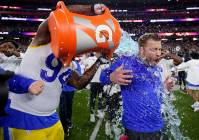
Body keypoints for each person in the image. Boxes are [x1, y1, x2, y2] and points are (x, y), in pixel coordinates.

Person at [1, 3, 109, 140]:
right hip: (24, 118)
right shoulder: (42, 40)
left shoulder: (66, 60)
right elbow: (56, 15)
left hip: (52, 118)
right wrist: (92, 9)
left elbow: (78, 83)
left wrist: (99, 61)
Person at [100, 33, 174, 140]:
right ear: (142, 50)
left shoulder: (156, 68)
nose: (158, 53)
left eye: (159, 49)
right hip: (136, 129)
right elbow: (103, 77)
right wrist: (111, 76)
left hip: (159, 125)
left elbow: (153, 95)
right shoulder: (127, 62)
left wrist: (164, 88)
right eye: (154, 49)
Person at [59, 60, 82, 136]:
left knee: (69, 107)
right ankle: (64, 129)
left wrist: (72, 72)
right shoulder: (61, 61)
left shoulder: (75, 64)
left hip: (70, 89)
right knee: (62, 109)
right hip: (61, 89)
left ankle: (68, 122)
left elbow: (79, 76)